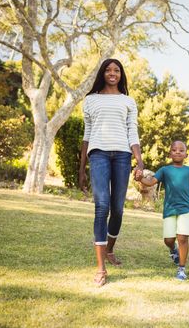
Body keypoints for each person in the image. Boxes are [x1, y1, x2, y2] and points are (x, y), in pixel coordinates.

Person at [78, 58, 144, 287]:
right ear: (102, 74)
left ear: (121, 75)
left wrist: (140, 161)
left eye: (116, 70)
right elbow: (86, 135)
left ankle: (109, 249)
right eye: (108, 70)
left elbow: (132, 132)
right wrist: (81, 169)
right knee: (102, 206)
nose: (112, 73)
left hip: (123, 156)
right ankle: (100, 269)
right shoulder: (91, 100)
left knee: (117, 209)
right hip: (99, 155)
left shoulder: (128, 101)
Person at [140, 140, 189, 281]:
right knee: (168, 240)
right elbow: (150, 182)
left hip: (185, 209)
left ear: (186, 155)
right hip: (169, 209)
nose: (178, 152)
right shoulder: (165, 170)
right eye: (175, 150)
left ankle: (181, 269)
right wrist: (140, 178)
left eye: (181, 150)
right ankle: (173, 250)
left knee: (182, 238)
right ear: (170, 153)